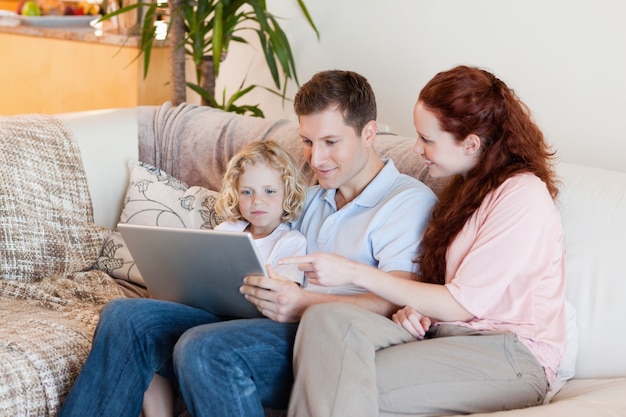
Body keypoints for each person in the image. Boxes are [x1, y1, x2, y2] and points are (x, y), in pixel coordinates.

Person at [58, 69, 438, 417]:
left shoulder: (405, 202)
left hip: (327, 343)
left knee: (203, 348)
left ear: (369, 134)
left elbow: (398, 300)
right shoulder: (308, 197)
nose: (316, 158)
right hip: (262, 319)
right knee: (126, 317)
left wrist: (304, 304)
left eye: (330, 142)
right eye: (307, 141)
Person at [283, 65, 568, 417]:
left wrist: (354, 273)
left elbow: (463, 304)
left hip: (511, 356)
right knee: (325, 320)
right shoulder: (466, 191)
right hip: (447, 339)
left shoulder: (522, 194)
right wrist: (414, 312)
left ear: (471, 144)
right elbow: (448, 293)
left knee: (337, 379)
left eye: (428, 139)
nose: (416, 148)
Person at [141, 139, 308, 417]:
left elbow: (287, 298)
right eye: (247, 191)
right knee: (148, 336)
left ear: (287, 193)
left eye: (269, 191)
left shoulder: (290, 241)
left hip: (249, 327)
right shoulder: (227, 230)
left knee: (193, 344)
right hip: (209, 314)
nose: (258, 201)